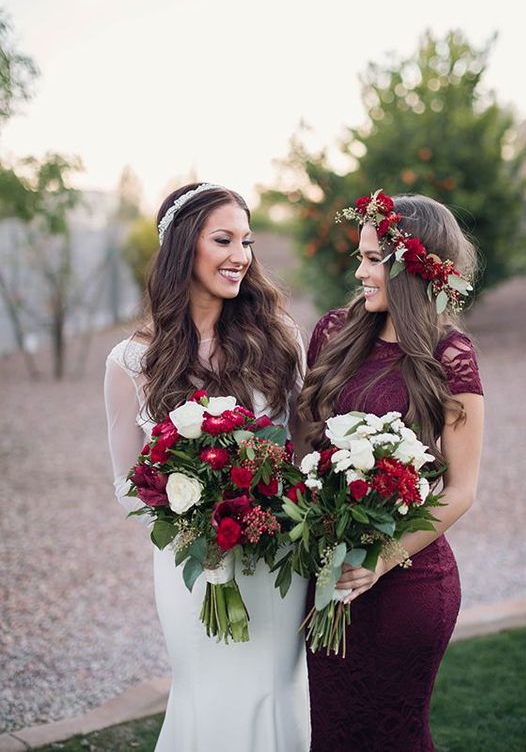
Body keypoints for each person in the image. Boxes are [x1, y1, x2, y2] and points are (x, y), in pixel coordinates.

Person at [104, 183, 309, 752]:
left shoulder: (280, 339)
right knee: (205, 694)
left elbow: (301, 449)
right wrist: (196, 533)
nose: (240, 254)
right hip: (190, 566)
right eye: (223, 239)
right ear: (181, 249)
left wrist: (265, 515)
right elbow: (128, 482)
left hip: (275, 562)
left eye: (246, 240)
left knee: (272, 693)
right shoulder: (131, 362)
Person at [298, 191, 484, 752]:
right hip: (331, 578)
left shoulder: (451, 356)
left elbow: (461, 491)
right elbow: (306, 441)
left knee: (393, 736)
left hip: (410, 582)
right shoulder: (334, 332)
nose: (359, 271)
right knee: (329, 732)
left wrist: (379, 560)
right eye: (361, 256)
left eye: (373, 259)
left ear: (412, 266)